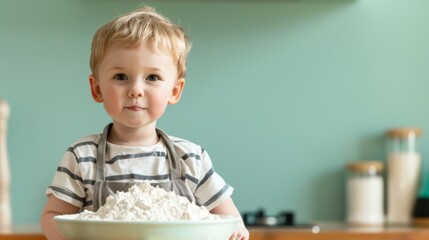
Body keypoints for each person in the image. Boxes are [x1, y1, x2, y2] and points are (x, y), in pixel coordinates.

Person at [40, 6, 249, 240]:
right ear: (97, 88)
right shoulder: (82, 156)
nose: (135, 90)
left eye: (152, 77)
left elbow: (229, 219)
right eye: (121, 77)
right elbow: (53, 215)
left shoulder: (190, 158)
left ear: (175, 90)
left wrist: (237, 231)